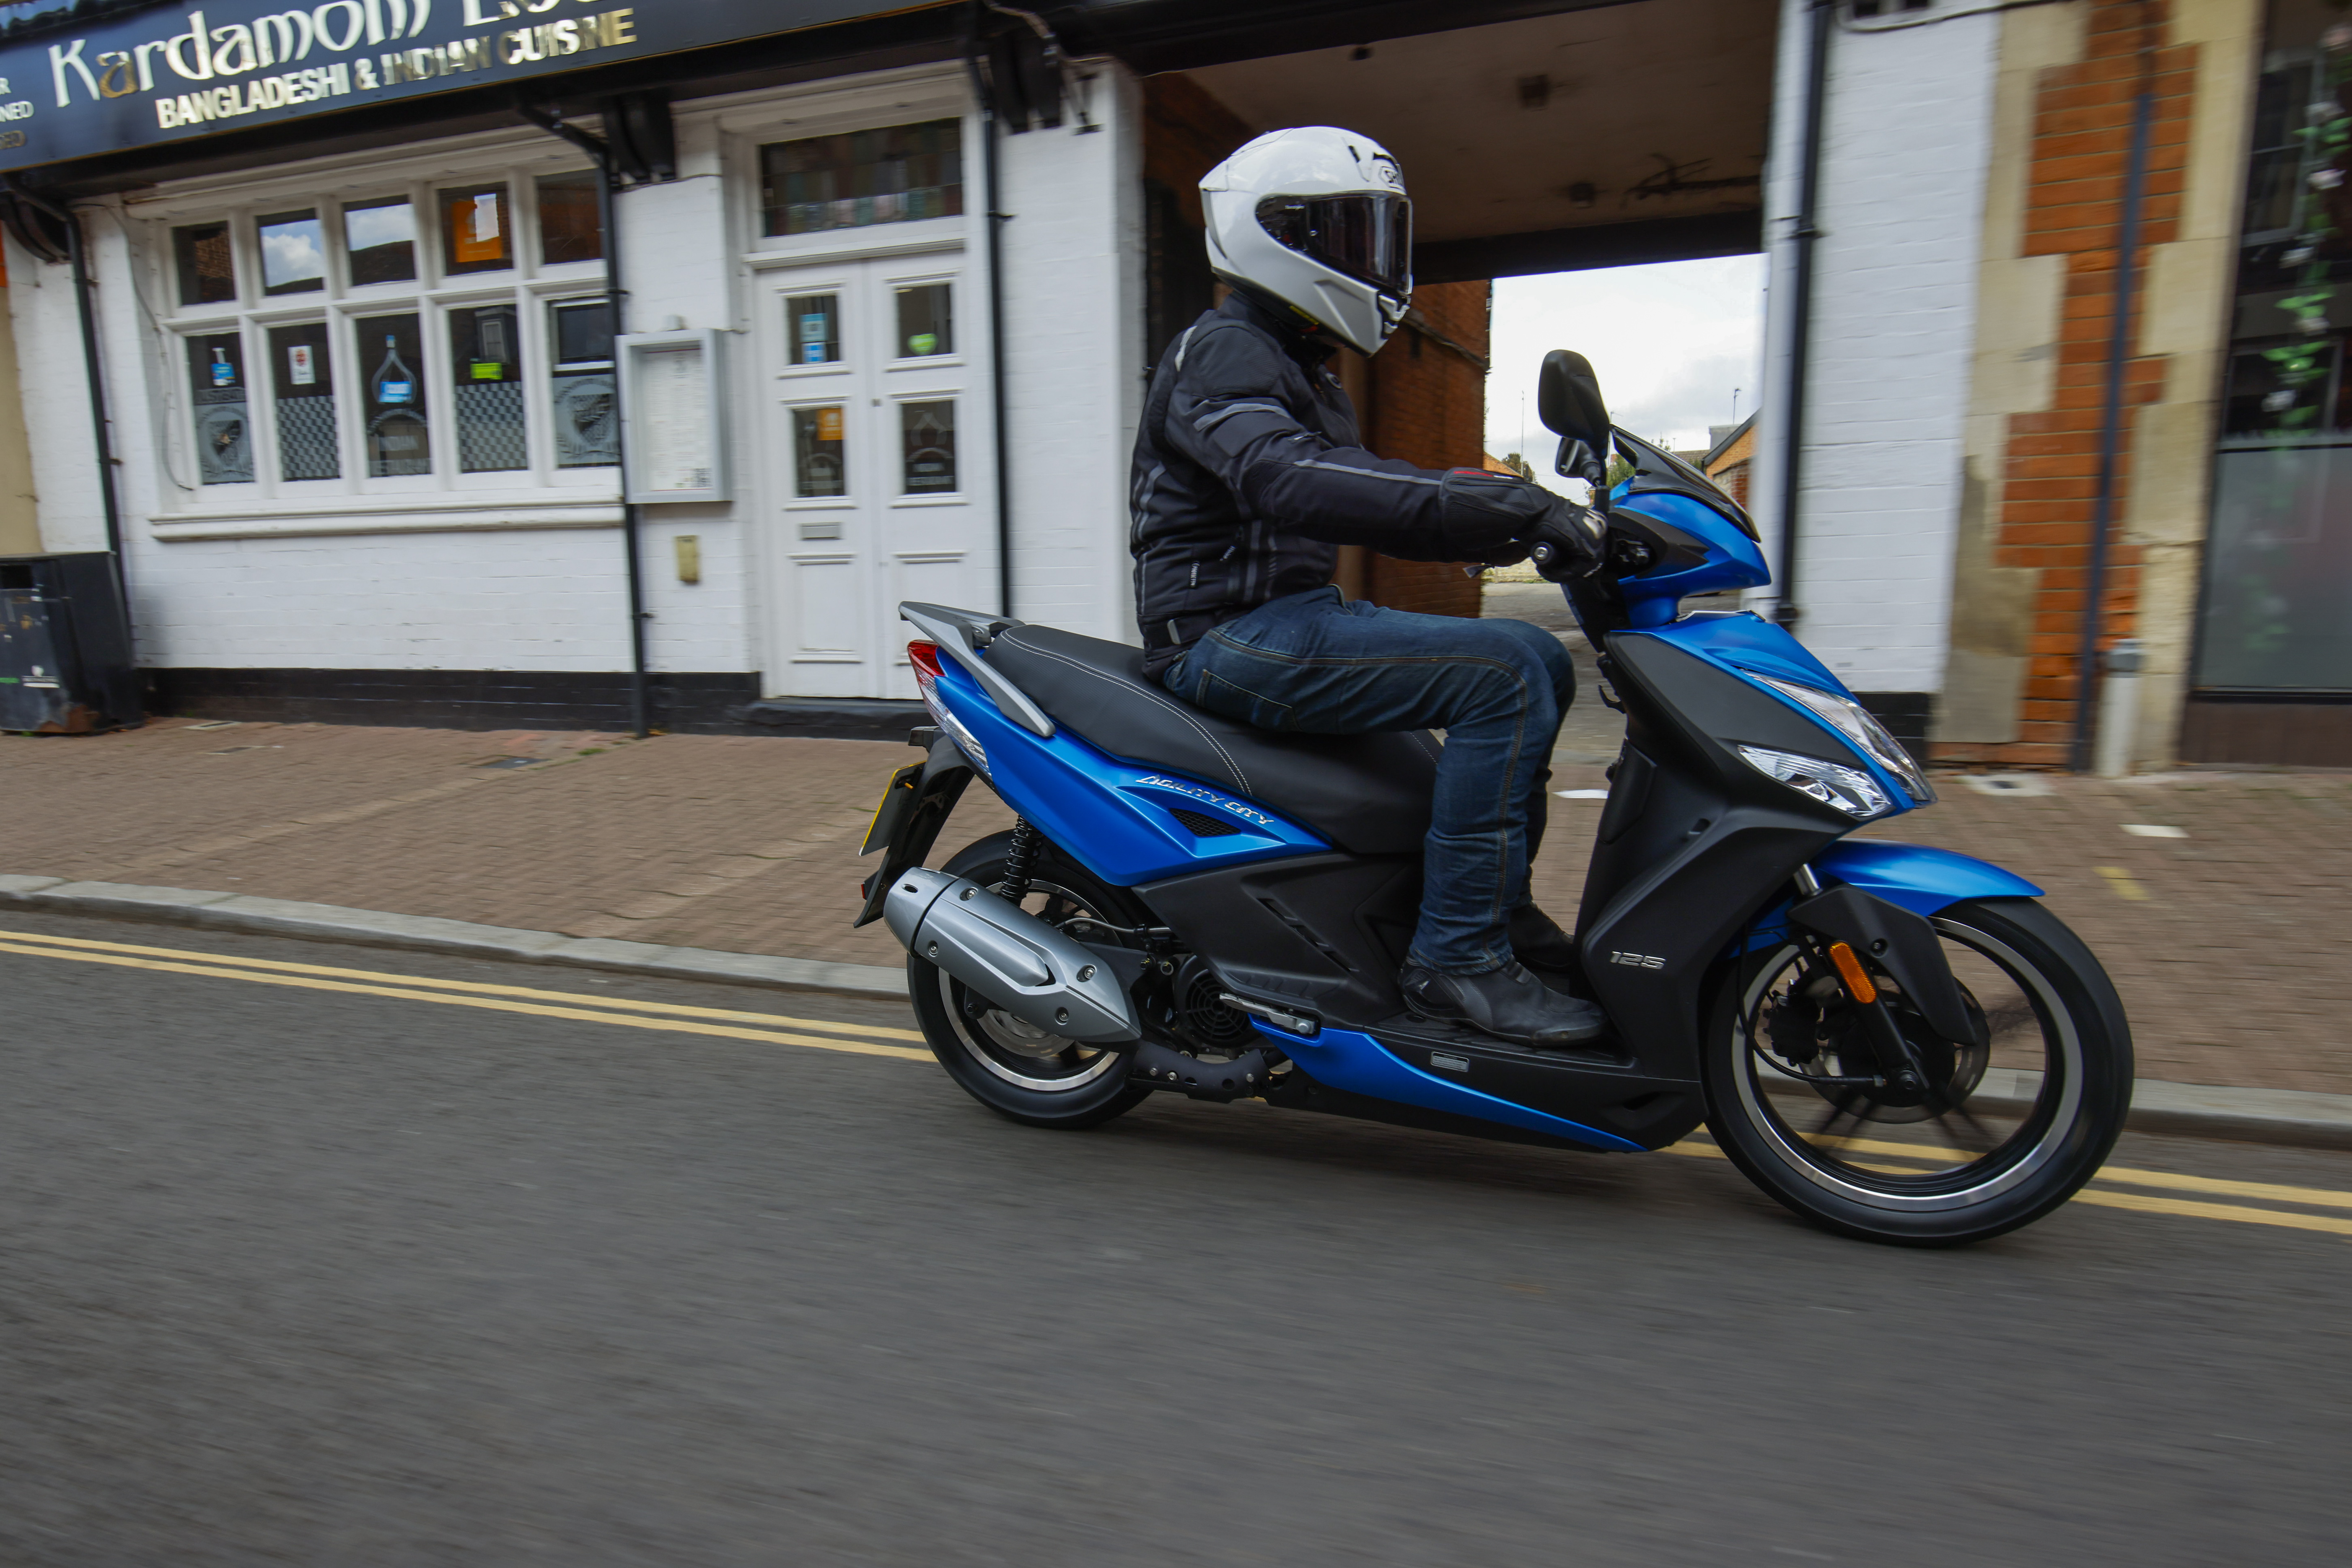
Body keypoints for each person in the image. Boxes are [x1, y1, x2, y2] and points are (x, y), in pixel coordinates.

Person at [1131, 126, 1610, 1049]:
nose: (1373, 261)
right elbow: (1284, 476)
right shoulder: (1225, 349)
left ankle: (1493, 915)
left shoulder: (1301, 370)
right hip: (1224, 633)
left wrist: (1505, 521)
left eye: (1377, 237)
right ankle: (1458, 959)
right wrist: (1506, 502)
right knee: (1511, 672)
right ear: (1273, 235)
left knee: (1531, 673)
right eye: (1346, 236)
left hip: (1289, 617)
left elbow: (1361, 492)